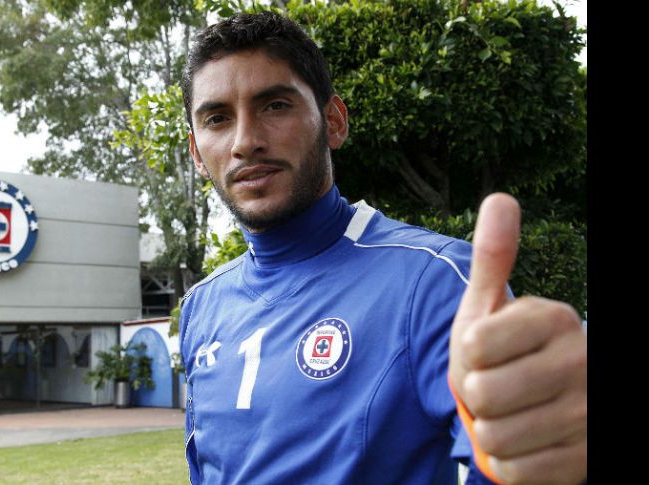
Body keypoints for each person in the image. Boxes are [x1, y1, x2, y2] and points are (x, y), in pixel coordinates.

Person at [178, 10, 586, 485]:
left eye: (275, 106)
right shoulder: (201, 306)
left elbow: (510, 456)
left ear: (333, 122)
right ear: (197, 154)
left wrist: (548, 449)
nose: (245, 141)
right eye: (217, 119)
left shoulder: (433, 281)